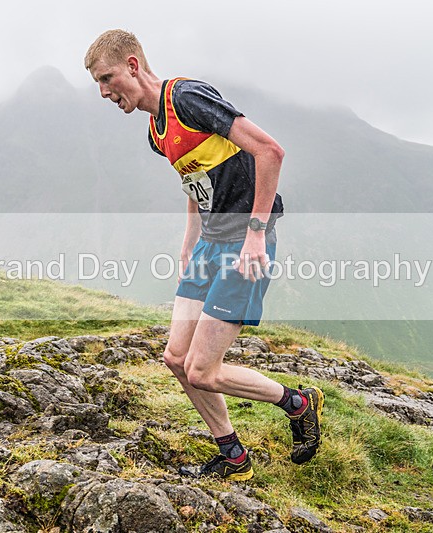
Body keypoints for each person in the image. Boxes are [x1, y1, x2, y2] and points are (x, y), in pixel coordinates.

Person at [84, 29, 323, 480]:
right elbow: (195, 184)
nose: (103, 92)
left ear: (132, 66)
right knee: (176, 358)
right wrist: (189, 241)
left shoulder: (187, 98)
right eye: (98, 83)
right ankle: (233, 455)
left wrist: (256, 233)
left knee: (201, 370)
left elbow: (270, 151)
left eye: (107, 78)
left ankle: (298, 402)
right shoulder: (156, 132)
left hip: (243, 243)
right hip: (209, 245)